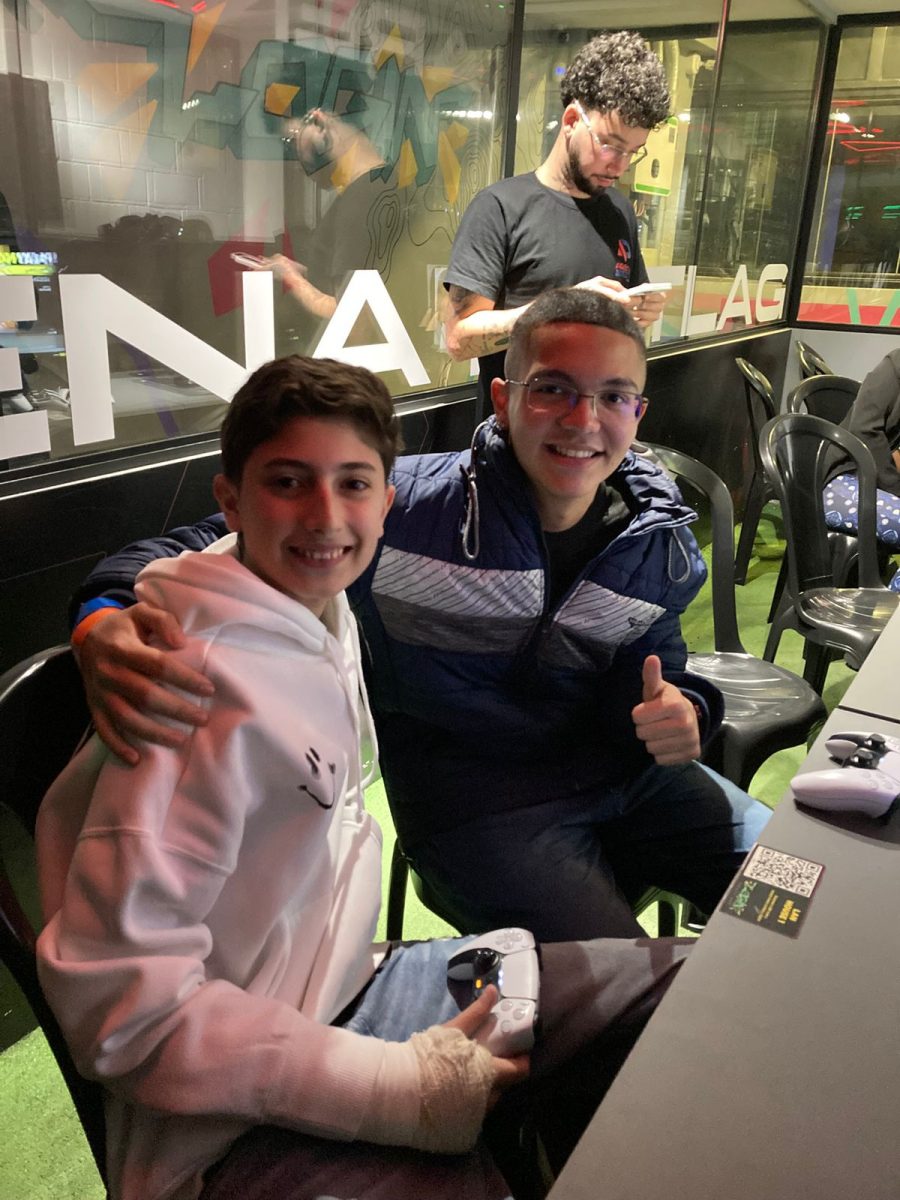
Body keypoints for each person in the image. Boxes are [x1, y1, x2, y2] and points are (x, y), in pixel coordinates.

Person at [37, 353, 692, 1200]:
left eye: (352, 484)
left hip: (352, 975)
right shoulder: (186, 691)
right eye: (288, 482)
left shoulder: (318, 604)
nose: (325, 517)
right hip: (225, 1126)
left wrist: (686, 707)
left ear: (386, 503)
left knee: (683, 991)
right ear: (230, 501)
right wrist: (393, 1086)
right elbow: (126, 1012)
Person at [67, 290, 770, 943]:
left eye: (612, 396)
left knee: (800, 893)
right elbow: (202, 540)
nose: (584, 421)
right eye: (553, 389)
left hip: (630, 781)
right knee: (625, 995)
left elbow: (657, 669)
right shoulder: (401, 507)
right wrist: (102, 616)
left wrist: (686, 710)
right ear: (503, 399)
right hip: (478, 808)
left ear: (638, 413)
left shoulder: (655, 538)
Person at [443, 30, 671, 412]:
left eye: (634, 151)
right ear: (571, 120)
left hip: (598, 430)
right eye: (610, 145)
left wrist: (638, 314)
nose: (621, 166)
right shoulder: (500, 208)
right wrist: (561, 310)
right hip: (518, 432)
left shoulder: (620, 212)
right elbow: (459, 340)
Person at [822, 347, 900, 563]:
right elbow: (864, 430)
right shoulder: (894, 366)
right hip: (840, 476)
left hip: (872, 480)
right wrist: (896, 489)